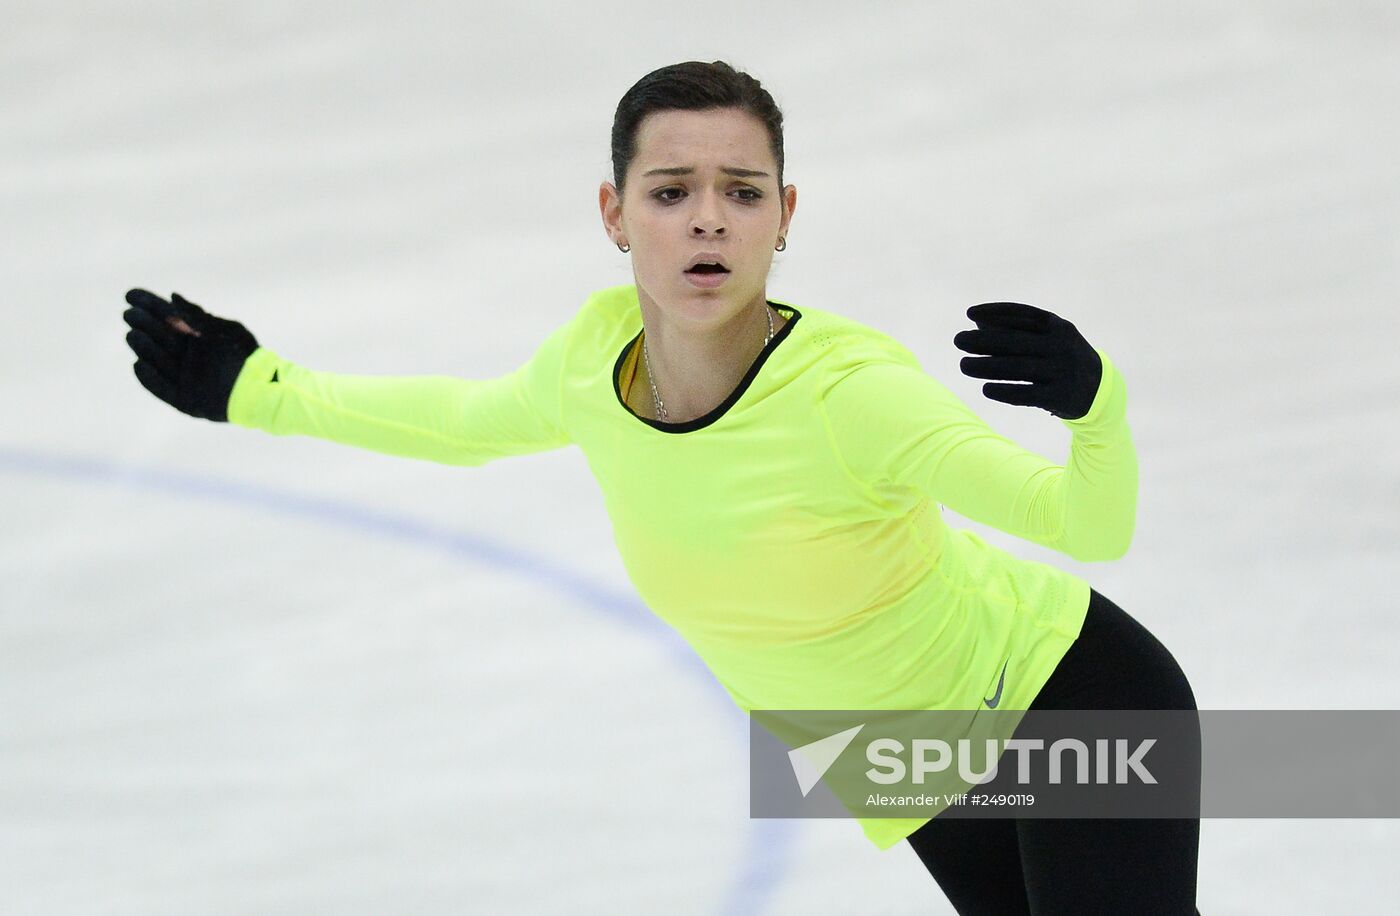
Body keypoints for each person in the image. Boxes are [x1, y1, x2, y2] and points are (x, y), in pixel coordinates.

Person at [122, 60, 1200, 914]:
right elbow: (461, 423)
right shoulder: (593, 363)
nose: (706, 221)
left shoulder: (849, 391)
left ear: (783, 214)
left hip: (1066, 700)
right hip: (912, 761)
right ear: (613, 211)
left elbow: (1084, 526)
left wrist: (1092, 405)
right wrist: (254, 389)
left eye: (740, 193)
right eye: (670, 191)